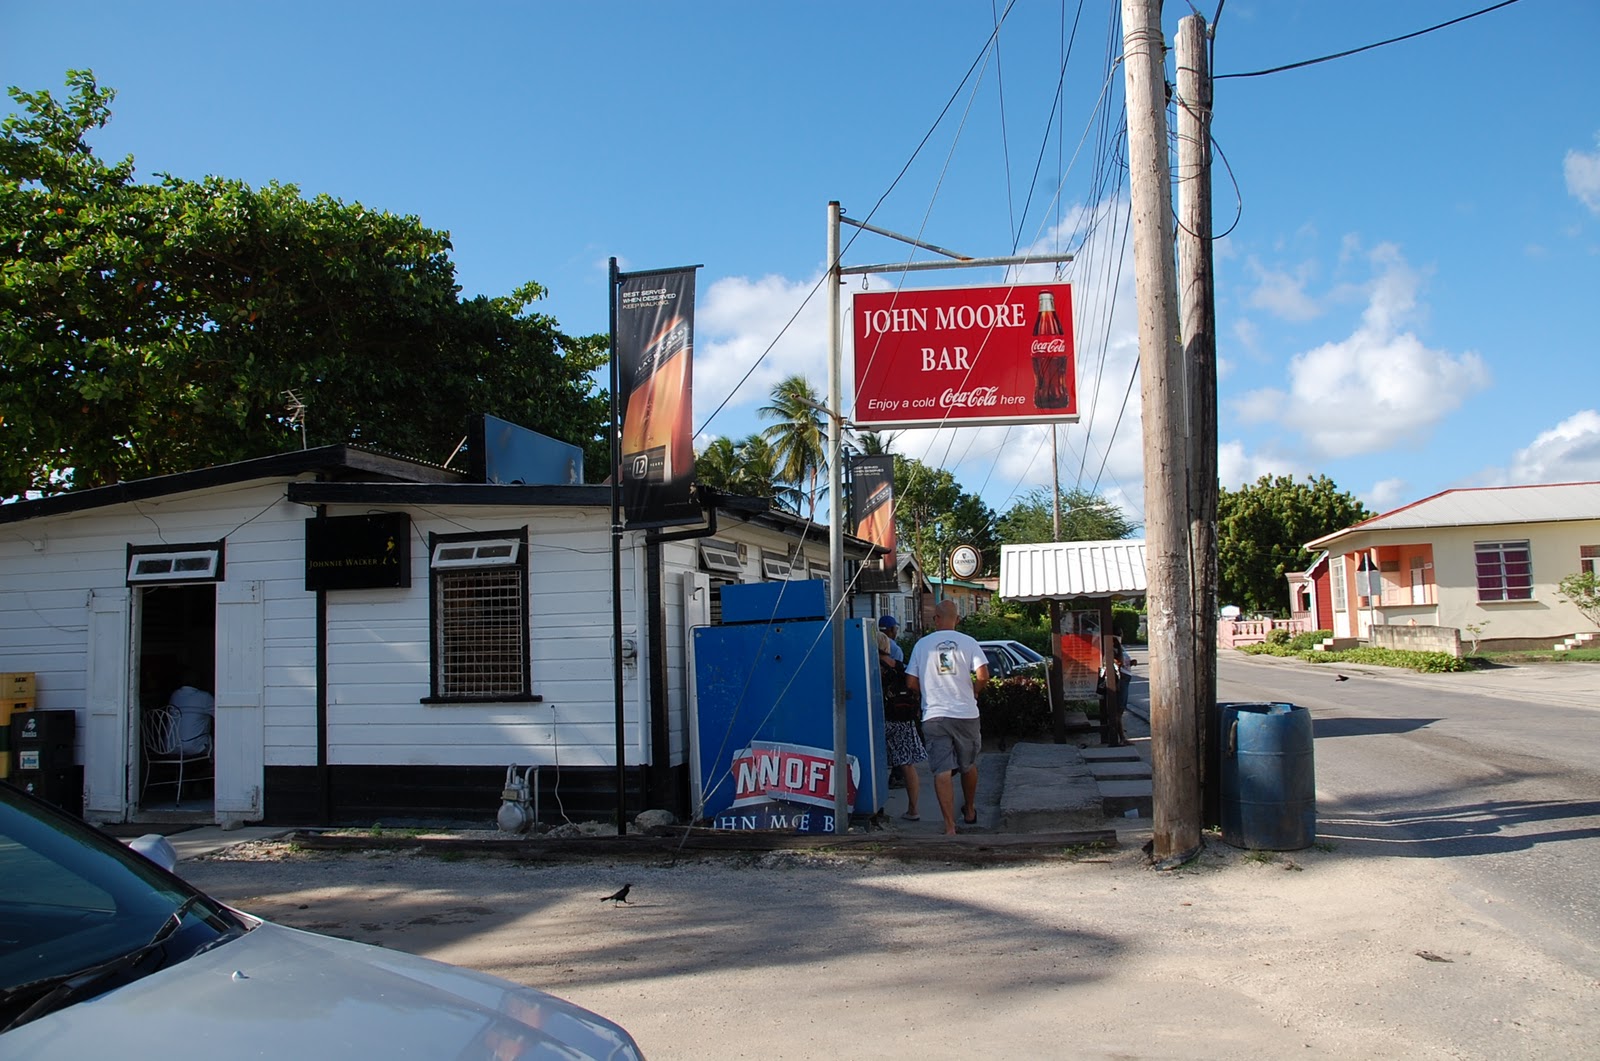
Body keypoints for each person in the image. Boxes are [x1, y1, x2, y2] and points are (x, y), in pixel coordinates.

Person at [904, 599, 990, 835]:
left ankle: (949, 826)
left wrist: (928, 691)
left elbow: (910, 682)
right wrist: (974, 690)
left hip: (934, 715)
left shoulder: (922, 645)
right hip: (965, 713)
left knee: (942, 769)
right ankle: (970, 810)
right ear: (958, 620)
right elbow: (983, 675)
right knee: (968, 764)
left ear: (936, 620)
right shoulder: (969, 642)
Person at [877, 616, 925, 820]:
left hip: (877, 720)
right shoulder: (898, 666)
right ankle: (913, 809)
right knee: (907, 765)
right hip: (902, 719)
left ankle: (876, 808)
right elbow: (914, 686)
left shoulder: (868, 665)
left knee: (874, 761)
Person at [168, 677, 215, 756]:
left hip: (171, 746)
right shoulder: (205, 697)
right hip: (194, 747)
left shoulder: (175, 695)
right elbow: (221, 717)